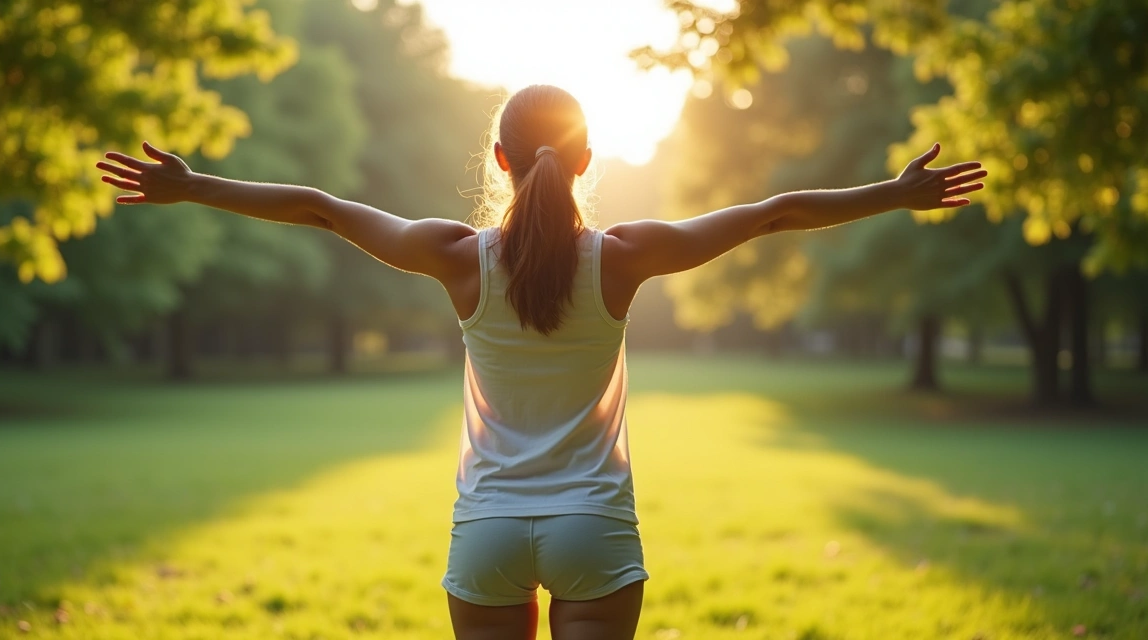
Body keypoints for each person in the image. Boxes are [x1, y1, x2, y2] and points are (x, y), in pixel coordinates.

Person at [96, 84, 985, 640]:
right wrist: (894, 193)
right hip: (593, 528)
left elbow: (322, 208)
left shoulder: (457, 257)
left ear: (499, 160)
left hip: (487, 530)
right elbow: (773, 212)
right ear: (587, 159)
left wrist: (194, 185)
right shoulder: (623, 257)